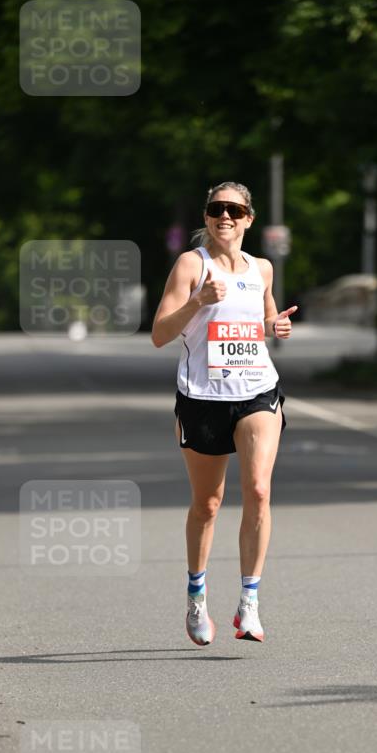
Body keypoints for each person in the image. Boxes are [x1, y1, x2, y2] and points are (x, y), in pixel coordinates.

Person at [152, 182, 297, 645]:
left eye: (235, 210)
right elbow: (159, 334)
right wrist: (199, 300)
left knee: (257, 489)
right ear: (208, 216)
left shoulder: (263, 268)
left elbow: (266, 320)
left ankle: (249, 604)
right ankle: (197, 596)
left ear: (249, 218)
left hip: (257, 390)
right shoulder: (192, 264)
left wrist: (277, 326)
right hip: (201, 396)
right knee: (207, 503)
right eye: (217, 209)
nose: (226, 217)